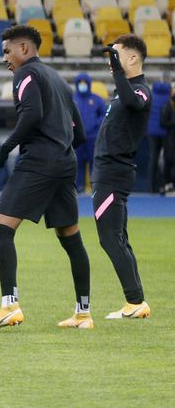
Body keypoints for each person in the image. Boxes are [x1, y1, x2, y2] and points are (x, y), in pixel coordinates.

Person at [0, 24, 91, 332]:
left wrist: (4, 150)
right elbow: (79, 133)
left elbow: (31, 115)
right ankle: (84, 313)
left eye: (7, 51)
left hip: (39, 162)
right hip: (64, 162)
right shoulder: (58, 78)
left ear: (24, 49)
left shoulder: (25, 74)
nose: (5, 58)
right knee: (71, 238)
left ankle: (9, 305)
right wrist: (60, 152)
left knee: (0, 229)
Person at [92, 35, 152, 320]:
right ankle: (136, 301)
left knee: (110, 238)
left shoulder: (140, 90)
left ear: (132, 59)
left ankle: (135, 301)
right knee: (118, 238)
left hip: (114, 174)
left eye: (116, 56)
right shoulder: (122, 91)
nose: (110, 62)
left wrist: (117, 71)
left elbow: (134, 103)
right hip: (108, 172)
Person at [72, 72, 106, 193]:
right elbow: (65, 114)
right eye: (80, 83)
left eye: (84, 83)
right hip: (77, 138)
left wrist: (96, 123)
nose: (82, 85)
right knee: (78, 164)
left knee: (94, 164)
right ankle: (78, 187)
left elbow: (104, 114)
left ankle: (94, 187)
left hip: (93, 137)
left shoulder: (96, 99)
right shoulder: (73, 99)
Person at [160, 91, 175, 194]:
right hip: (170, 139)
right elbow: (163, 123)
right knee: (168, 162)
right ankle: (166, 184)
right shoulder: (167, 106)